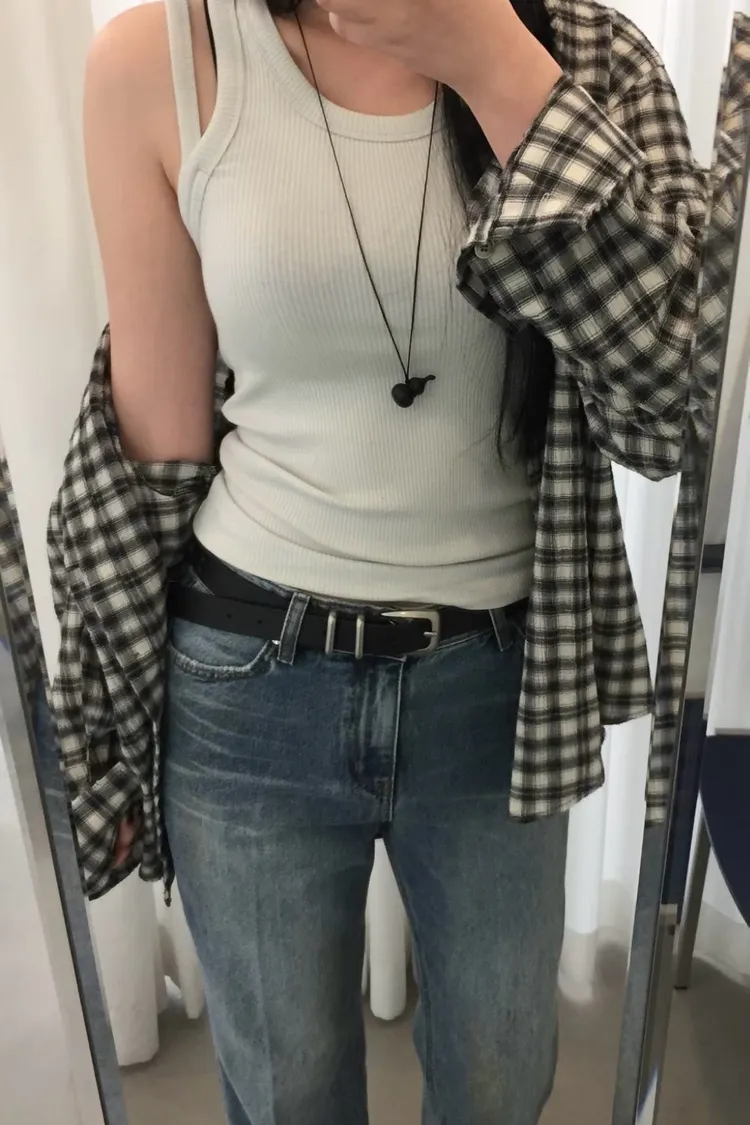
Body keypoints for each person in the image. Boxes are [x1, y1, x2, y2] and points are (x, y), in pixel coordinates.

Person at [74, 0, 708, 1121]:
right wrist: (104, 716)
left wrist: (491, 59)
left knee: (501, 1082)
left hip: (500, 684)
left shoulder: (592, 58)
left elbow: (668, 405)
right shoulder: (166, 53)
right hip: (247, 681)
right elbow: (156, 455)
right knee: (287, 1096)